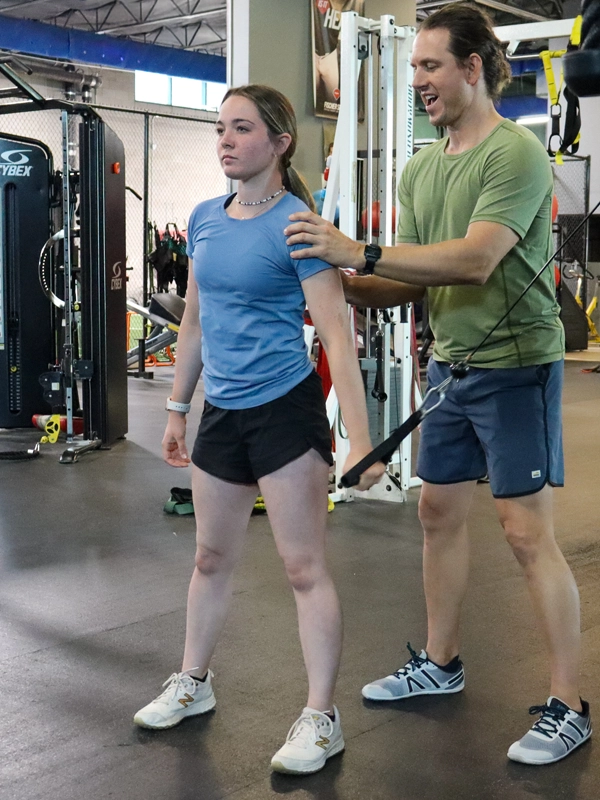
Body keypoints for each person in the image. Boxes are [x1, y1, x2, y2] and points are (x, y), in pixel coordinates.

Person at [283, 2, 591, 766]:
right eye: (415, 67)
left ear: (472, 68)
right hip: (451, 365)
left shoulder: (513, 154)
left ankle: (568, 703)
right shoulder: (423, 165)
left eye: (429, 66)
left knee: (525, 534)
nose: (418, 80)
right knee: (437, 513)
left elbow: (475, 260)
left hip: (517, 366)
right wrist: (339, 283)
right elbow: (407, 278)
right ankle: (442, 663)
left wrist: (362, 248)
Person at [133, 83, 384, 776]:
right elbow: (194, 318)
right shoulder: (206, 218)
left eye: (241, 129)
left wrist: (360, 442)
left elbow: (336, 333)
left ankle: (321, 717)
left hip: (283, 409)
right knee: (209, 559)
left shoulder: (299, 225)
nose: (224, 140)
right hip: (224, 413)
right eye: (220, 128)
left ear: (279, 142)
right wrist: (178, 407)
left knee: (302, 569)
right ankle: (194, 680)